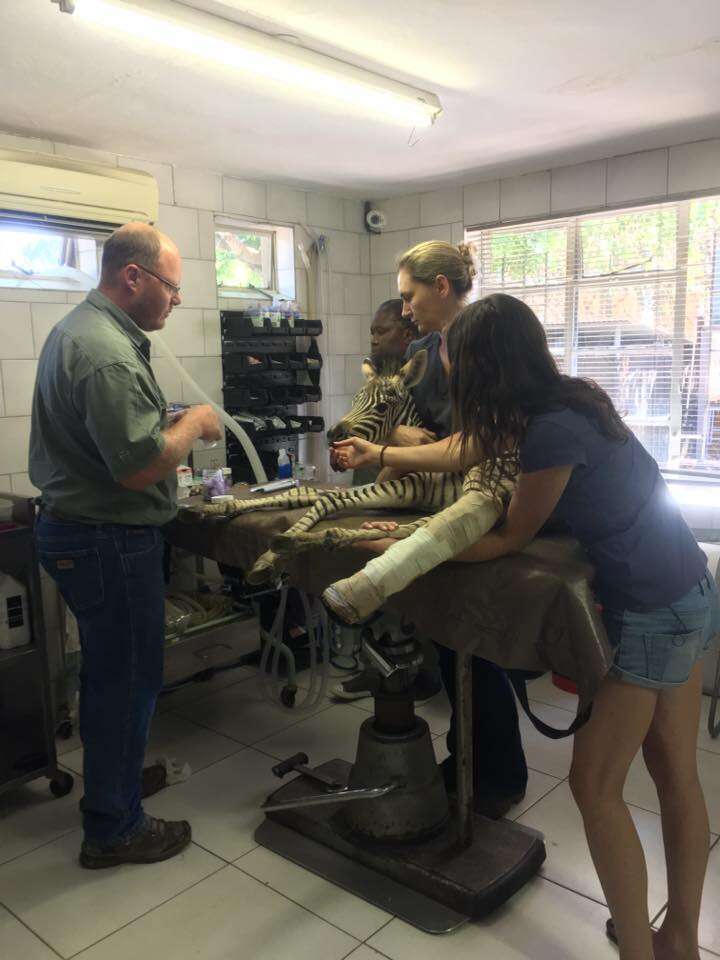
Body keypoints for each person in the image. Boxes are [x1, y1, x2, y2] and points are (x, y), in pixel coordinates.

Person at [334, 293, 720, 960]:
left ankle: (639, 950)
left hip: (653, 608)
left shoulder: (548, 433)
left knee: (593, 787)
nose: (450, 377)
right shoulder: (565, 399)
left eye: (456, 365)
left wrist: (395, 553)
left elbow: (505, 538)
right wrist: (382, 452)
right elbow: (463, 451)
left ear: (487, 367)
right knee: (674, 774)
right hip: (688, 585)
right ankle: (677, 937)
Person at [29, 222, 222, 868]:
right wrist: (192, 423)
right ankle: (114, 827)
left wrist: (164, 428)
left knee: (110, 674)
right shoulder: (107, 351)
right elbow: (139, 466)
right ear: (132, 278)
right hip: (107, 539)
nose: (175, 301)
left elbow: (117, 439)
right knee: (127, 678)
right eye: (171, 288)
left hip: (81, 532)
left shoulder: (79, 333)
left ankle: (115, 787)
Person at [339, 241, 529, 820]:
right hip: (430, 498)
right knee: (448, 640)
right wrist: (397, 441)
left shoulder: (486, 343)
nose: (403, 310)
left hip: (483, 501)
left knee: (476, 643)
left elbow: (480, 446)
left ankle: (498, 776)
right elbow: (406, 425)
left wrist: (400, 448)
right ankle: (467, 759)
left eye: (410, 295)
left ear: (441, 286)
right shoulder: (424, 351)